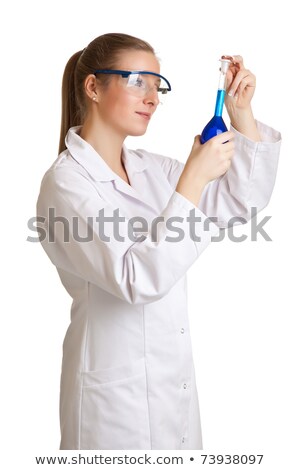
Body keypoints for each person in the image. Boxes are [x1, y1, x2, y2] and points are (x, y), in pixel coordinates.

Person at [36, 33, 281, 450]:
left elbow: (241, 203)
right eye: (138, 81)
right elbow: (137, 279)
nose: (152, 97)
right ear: (93, 87)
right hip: (113, 406)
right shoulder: (66, 184)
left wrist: (241, 114)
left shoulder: (153, 169)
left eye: (157, 85)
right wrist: (193, 179)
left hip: (173, 387)